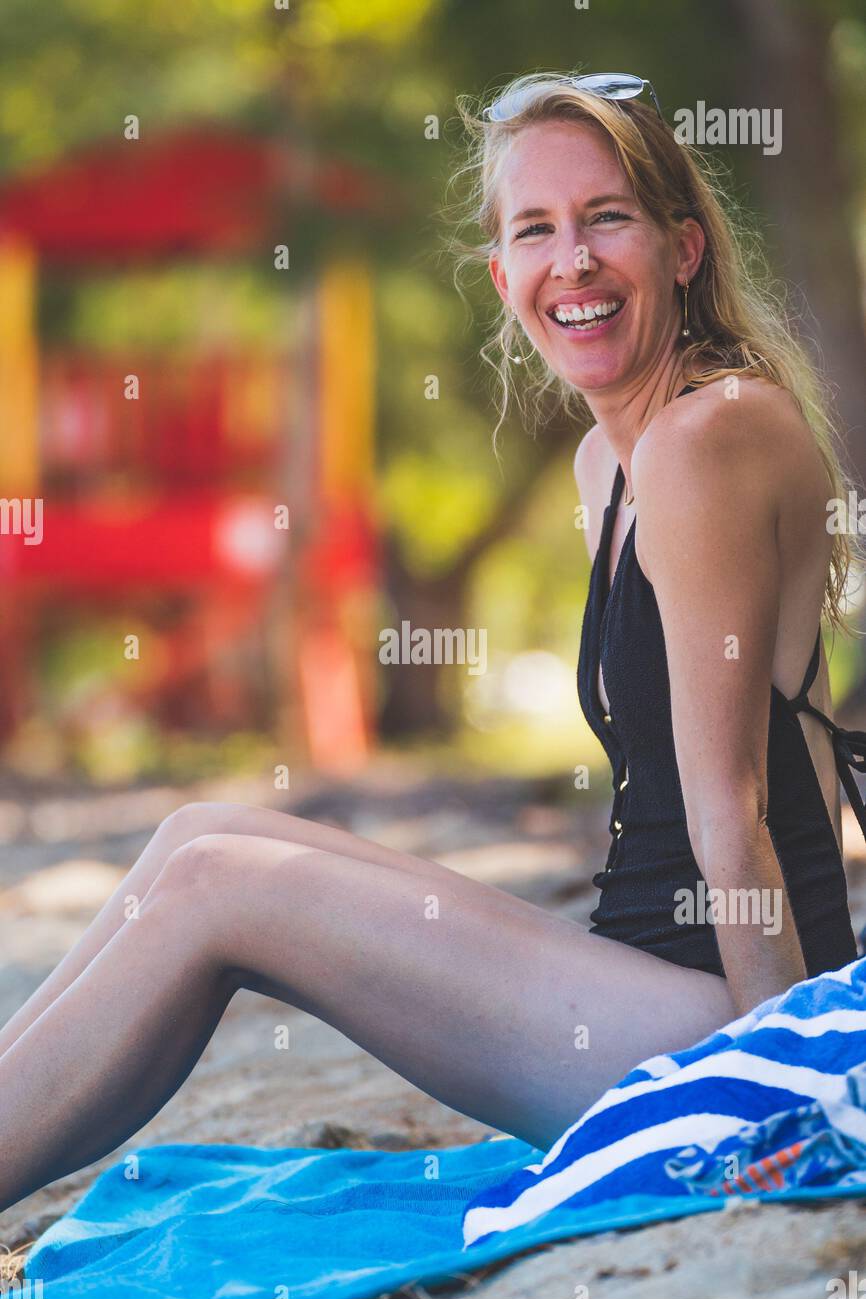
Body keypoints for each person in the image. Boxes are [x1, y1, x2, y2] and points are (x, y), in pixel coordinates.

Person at [1, 70, 862, 1217]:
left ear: (683, 247)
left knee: (217, 883)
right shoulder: (611, 458)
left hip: (713, 1021)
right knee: (194, 830)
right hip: (633, 978)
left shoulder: (704, 438)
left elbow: (734, 813)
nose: (574, 263)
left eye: (607, 217)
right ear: (501, 275)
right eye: (536, 230)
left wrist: (788, 1101)